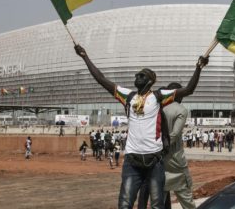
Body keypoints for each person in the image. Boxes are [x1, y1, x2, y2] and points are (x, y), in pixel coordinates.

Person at [74, 44, 208, 209]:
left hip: (154, 162)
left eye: (142, 75)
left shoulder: (158, 96)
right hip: (132, 162)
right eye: (137, 75)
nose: (137, 76)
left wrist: (198, 68)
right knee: (125, 204)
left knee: (158, 204)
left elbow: (188, 90)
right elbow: (102, 79)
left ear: (151, 80)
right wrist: (85, 57)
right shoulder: (128, 96)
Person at [139, 82, 196, 209]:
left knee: (159, 197)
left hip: (159, 159)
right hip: (176, 159)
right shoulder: (181, 110)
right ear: (178, 94)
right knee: (186, 197)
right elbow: (174, 134)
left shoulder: (158, 107)